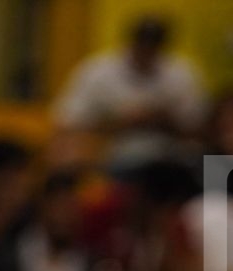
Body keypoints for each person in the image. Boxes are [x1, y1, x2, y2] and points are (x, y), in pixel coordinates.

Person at [53, 15, 207, 171]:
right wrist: (119, 123)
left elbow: (198, 127)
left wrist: (164, 120)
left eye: (153, 45)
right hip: (107, 155)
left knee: (205, 158)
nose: (147, 51)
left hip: (170, 158)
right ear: (131, 42)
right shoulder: (97, 71)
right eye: (143, 44)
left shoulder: (181, 73)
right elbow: (67, 122)